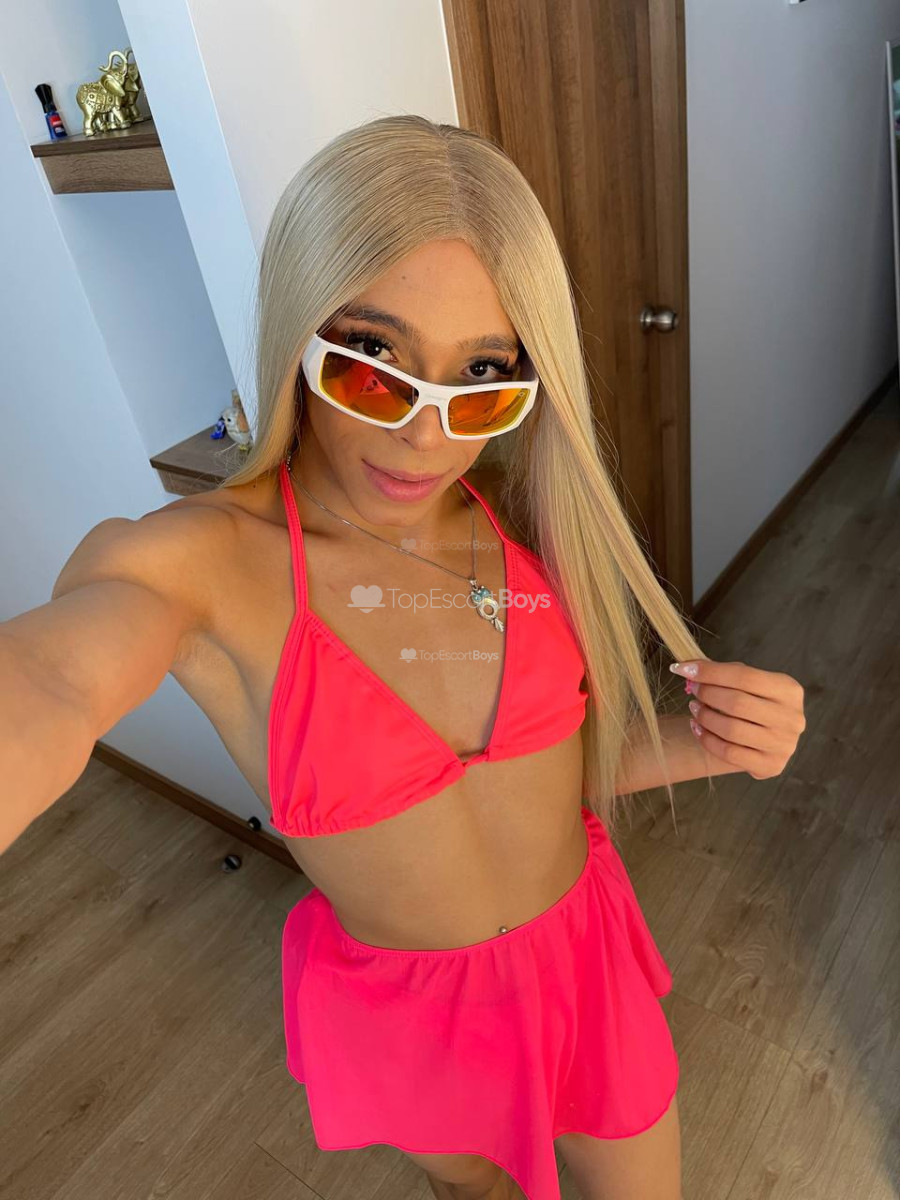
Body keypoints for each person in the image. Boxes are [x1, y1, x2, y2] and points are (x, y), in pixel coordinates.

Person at [0, 114, 806, 1200]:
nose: (428, 434)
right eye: (373, 362)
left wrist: (715, 745)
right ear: (298, 335)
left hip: (585, 964)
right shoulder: (200, 565)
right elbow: (52, 677)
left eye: (483, 376)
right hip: (419, 1018)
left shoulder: (519, 519)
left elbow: (550, 778)